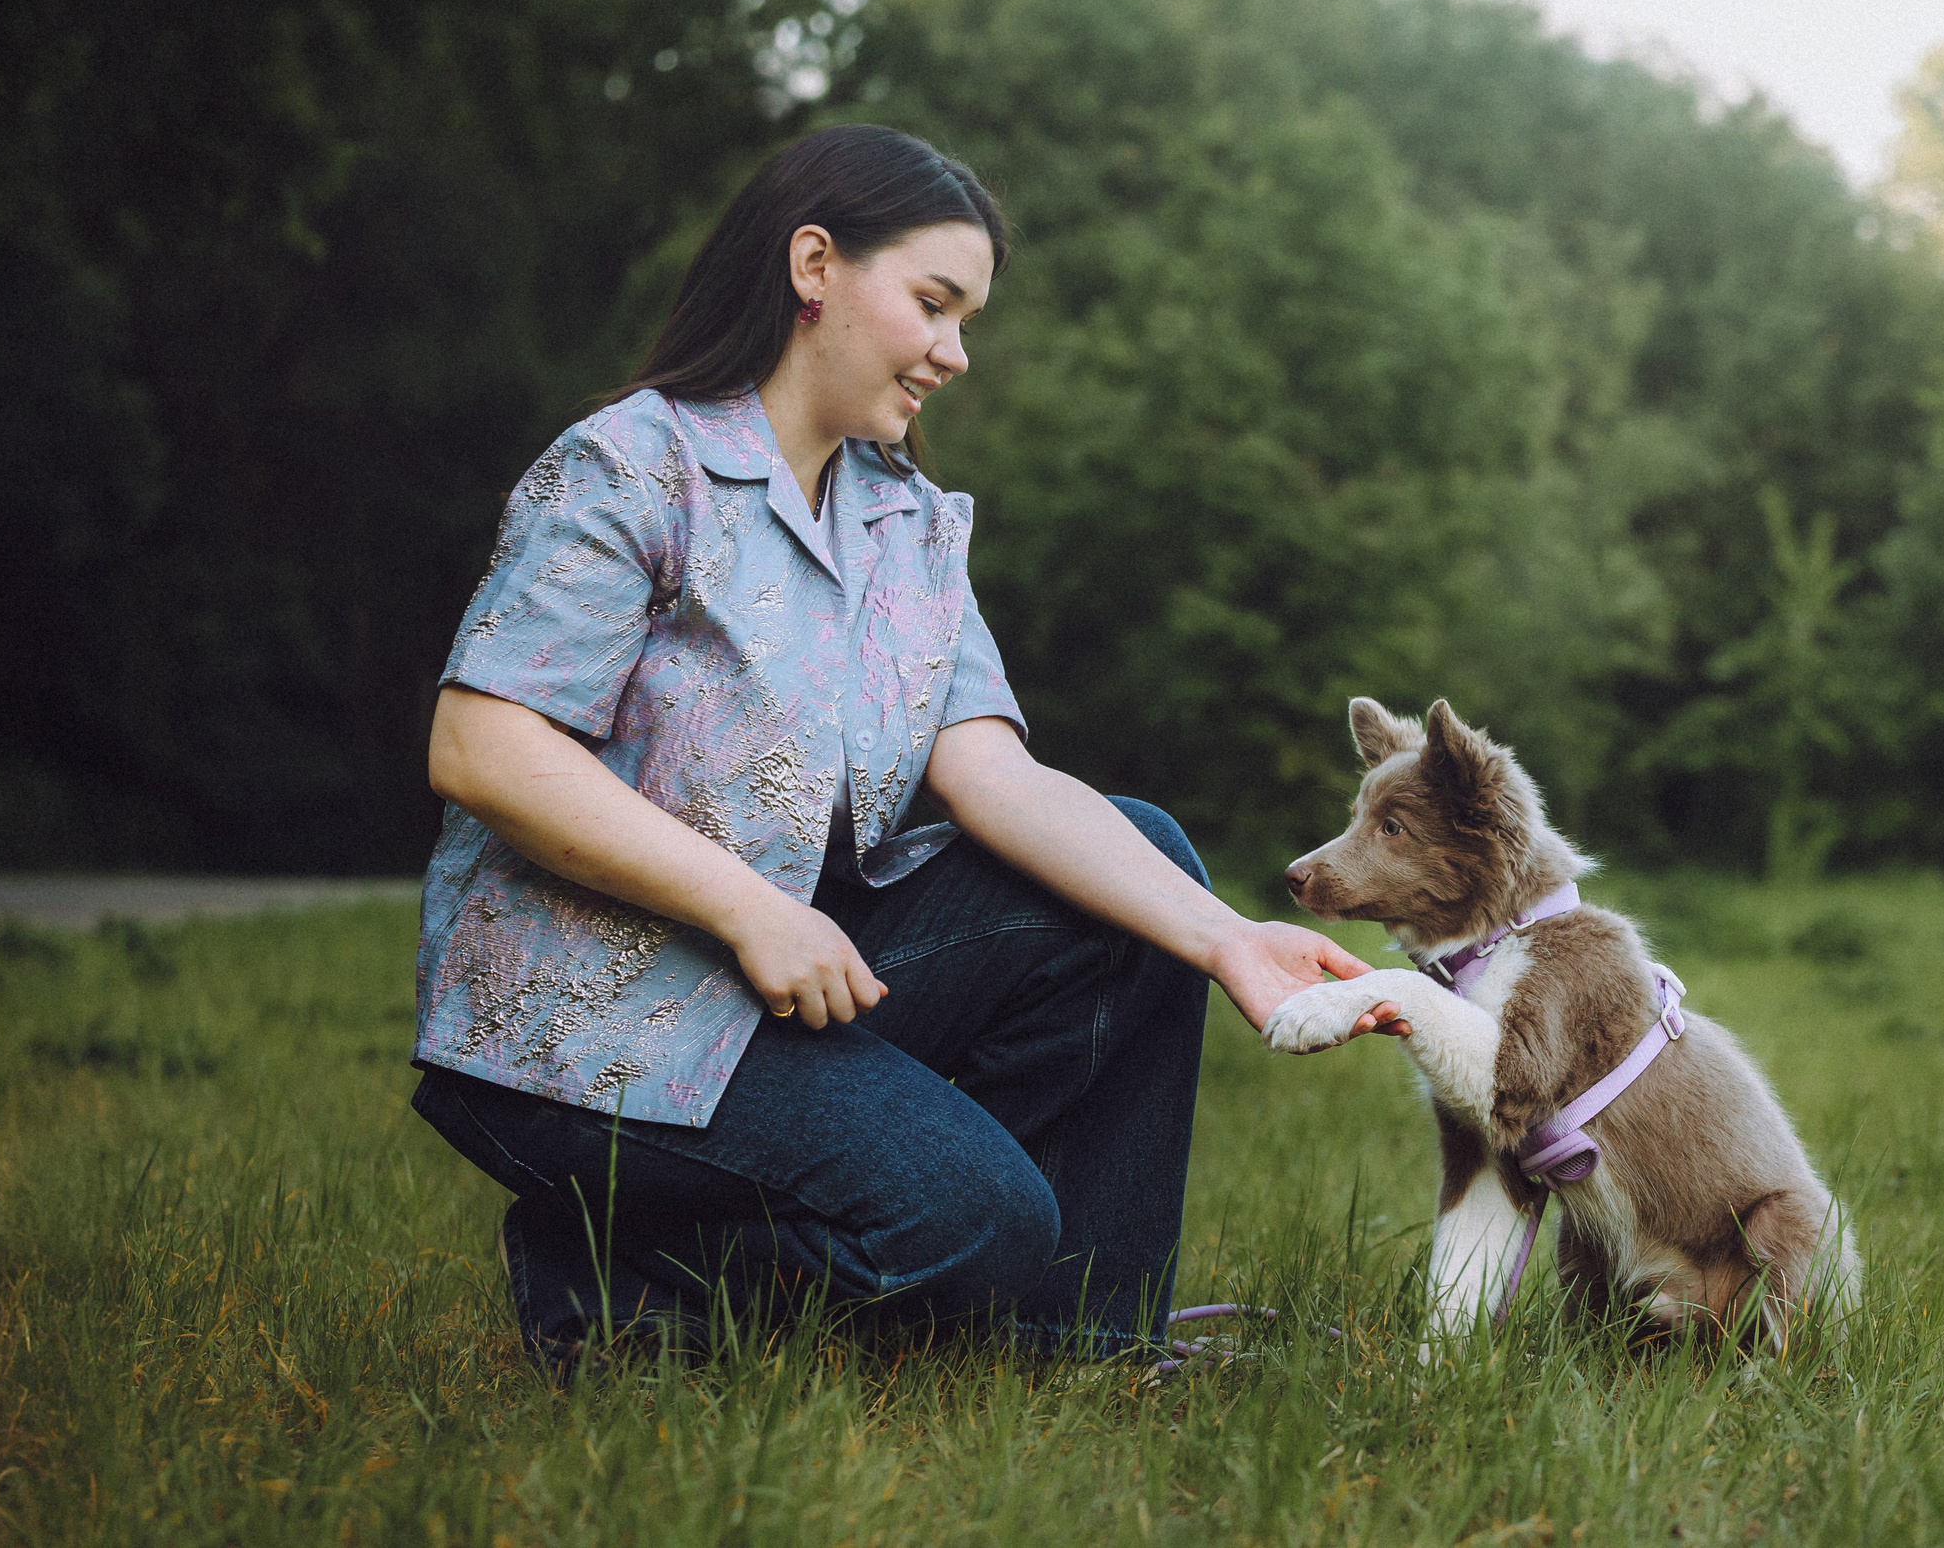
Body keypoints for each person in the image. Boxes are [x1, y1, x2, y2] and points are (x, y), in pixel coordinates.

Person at [409, 124, 1399, 1370]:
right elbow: (482, 746)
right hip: (571, 1027)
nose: (956, 351)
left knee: (1146, 862)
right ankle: (610, 1281)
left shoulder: (906, 524)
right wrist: (746, 905)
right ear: (813, 264)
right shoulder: (630, 468)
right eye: (934, 303)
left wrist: (1223, 938)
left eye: (966, 316)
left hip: (769, 993)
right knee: (978, 1221)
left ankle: (1081, 1346)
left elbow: (991, 774)